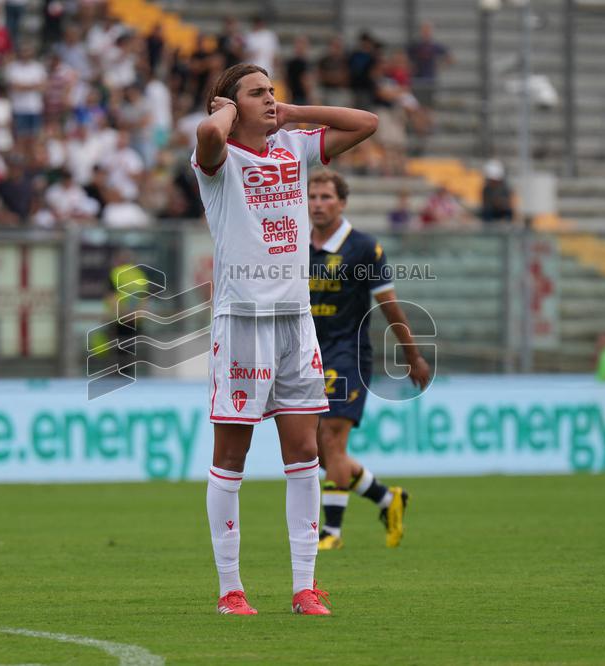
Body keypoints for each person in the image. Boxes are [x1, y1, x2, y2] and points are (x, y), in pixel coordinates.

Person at [191, 63, 378, 616]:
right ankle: (231, 589)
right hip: (243, 321)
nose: (270, 100)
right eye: (258, 93)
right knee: (233, 455)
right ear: (228, 107)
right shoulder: (218, 160)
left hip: (297, 324)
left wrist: (290, 112)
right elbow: (206, 136)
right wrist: (224, 111)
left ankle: (304, 586)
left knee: (303, 452)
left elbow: (365, 122)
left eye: (273, 90)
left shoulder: (292, 147)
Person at [307, 171, 431, 551]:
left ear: (342, 203)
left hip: (347, 355)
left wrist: (411, 355)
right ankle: (387, 499)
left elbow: (390, 306)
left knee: (332, 438)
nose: (317, 203)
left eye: (326, 196)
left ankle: (332, 533)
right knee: (317, 451)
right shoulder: (294, 243)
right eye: (312, 196)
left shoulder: (363, 248)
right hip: (306, 357)